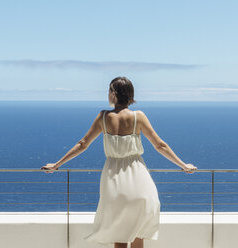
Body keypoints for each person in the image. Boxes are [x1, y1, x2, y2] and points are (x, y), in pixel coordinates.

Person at [40, 76, 197, 248]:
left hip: (113, 179)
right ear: (130, 94)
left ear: (113, 94)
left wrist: (57, 164)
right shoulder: (138, 117)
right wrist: (183, 165)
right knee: (139, 232)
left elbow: (83, 144)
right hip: (138, 177)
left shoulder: (103, 117)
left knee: (120, 234)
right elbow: (160, 145)